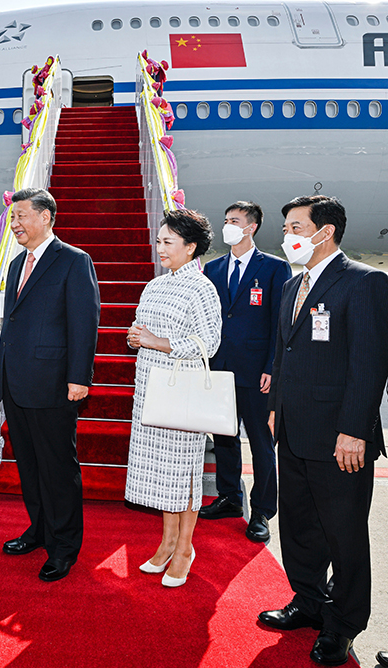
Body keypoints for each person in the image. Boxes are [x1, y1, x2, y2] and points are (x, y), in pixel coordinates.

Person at [258, 195, 388, 667]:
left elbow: (369, 363)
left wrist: (354, 430)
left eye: (295, 226)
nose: (286, 235)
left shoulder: (365, 282)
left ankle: (344, 624)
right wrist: (275, 409)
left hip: (340, 439)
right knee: (298, 527)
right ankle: (308, 602)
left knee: (344, 535)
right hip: (293, 431)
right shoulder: (294, 288)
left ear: (324, 231)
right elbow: (282, 355)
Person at [0, 187, 101, 583]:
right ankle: (38, 530)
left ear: (45, 217)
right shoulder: (14, 265)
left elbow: (84, 322)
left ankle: (63, 547)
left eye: (22, 215)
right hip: (16, 382)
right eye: (13, 217)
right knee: (29, 465)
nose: (15, 223)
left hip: (54, 384)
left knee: (57, 469)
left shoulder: (74, 261)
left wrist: (78, 378)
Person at [126, 209, 221, 588]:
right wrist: (137, 337)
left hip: (182, 391)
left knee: (183, 474)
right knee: (162, 473)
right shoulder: (155, 284)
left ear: (191, 247)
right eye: (160, 240)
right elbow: (142, 329)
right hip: (150, 387)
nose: (160, 247)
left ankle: (184, 548)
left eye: (168, 242)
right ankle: (165, 543)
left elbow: (208, 343)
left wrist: (157, 342)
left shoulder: (202, 287)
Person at [200, 201, 291, 543]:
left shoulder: (274, 269)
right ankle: (229, 498)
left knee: (261, 443)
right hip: (220, 368)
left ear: (251, 227)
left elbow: (280, 325)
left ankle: (263, 511)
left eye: (235, 221)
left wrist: (272, 367)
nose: (228, 226)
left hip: (257, 373)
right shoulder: (213, 268)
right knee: (224, 438)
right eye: (226, 220)